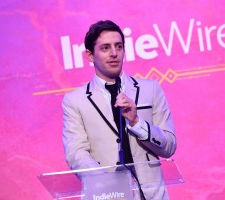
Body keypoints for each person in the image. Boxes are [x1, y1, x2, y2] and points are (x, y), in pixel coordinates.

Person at [62, 20, 177, 200]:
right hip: (106, 195)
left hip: (152, 195)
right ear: (90, 55)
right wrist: (107, 184)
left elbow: (169, 146)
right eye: (105, 48)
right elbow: (76, 153)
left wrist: (137, 123)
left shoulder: (151, 89)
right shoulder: (75, 100)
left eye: (119, 46)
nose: (114, 53)